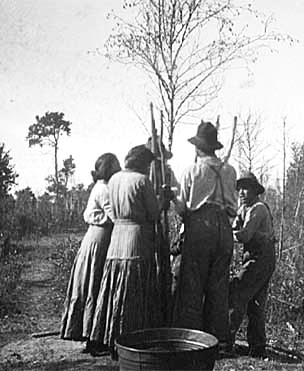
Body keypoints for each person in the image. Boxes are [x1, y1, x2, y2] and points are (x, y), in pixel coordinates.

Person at [171, 121, 237, 351]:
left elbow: (183, 210)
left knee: (192, 284)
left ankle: (191, 340)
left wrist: (171, 198)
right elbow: (233, 208)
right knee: (218, 286)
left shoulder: (192, 170)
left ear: (199, 147)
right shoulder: (230, 171)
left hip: (200, 227)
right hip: (224, 229)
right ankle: (218, 340)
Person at [90, 145, 161, 357]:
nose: (149, 169)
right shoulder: (142, 181)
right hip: (136, 241)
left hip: (117, 240)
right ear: (143, 164)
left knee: (115, 292)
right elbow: (154, 214)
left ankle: (112, 339)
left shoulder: (113, 180)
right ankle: (132, 340)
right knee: (133, 293)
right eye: (148, 164)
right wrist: (163, 200)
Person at [59, 153, 121, 353]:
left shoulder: (102, 187)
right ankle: (90, 335)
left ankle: (91, 333)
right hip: (99, 238)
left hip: (98, 236)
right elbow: (114, 216)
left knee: (92, 283)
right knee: (93, 284)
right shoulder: (103, 189)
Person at [228, 172, 276, 358]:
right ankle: (257, 346)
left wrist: (225, 233)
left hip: (260, 259)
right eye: (239, 188)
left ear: (255, 191)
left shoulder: (258, 208)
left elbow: (244, 235)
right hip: (257, 258)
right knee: (255, 303)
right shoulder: (244, 208)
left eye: (245, 188)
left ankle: (226, 341)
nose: (241, 192)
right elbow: (236, 224)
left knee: (238, 293)